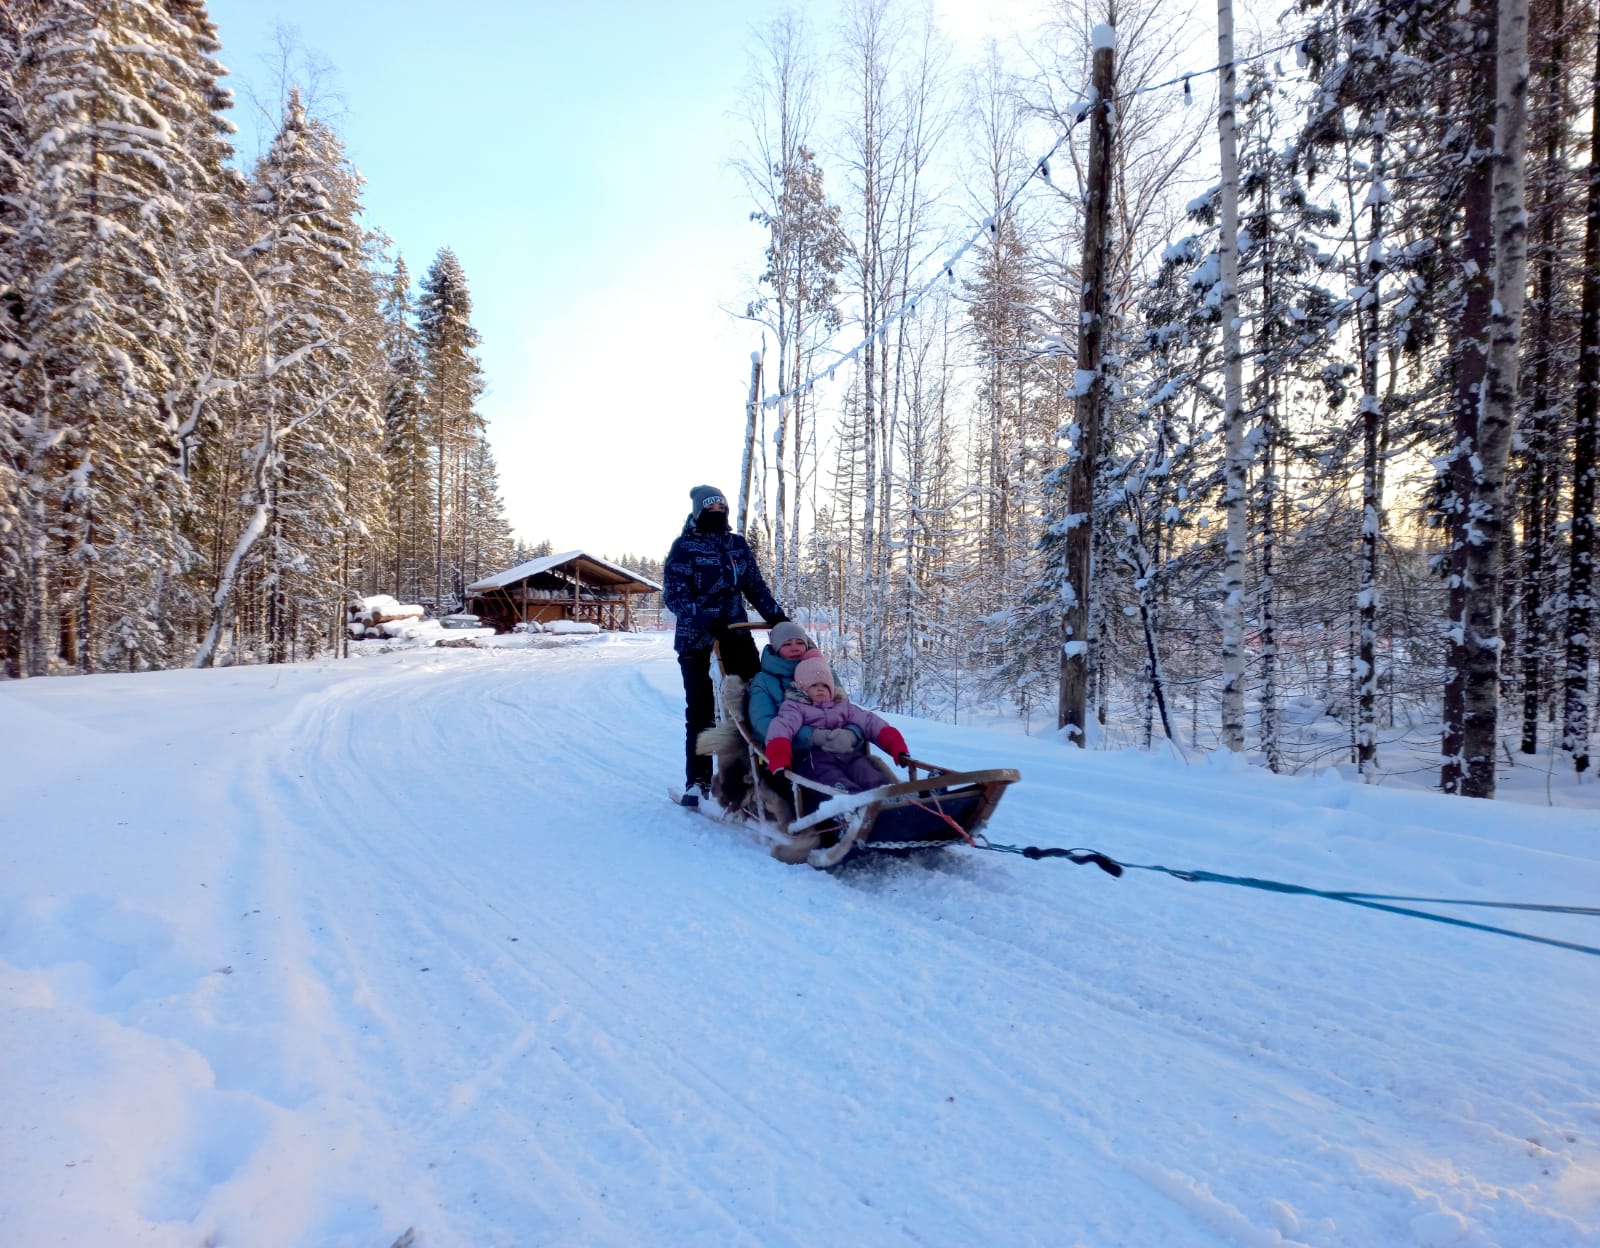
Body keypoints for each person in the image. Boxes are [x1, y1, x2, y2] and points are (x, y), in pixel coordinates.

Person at [663, 485, 786, 806]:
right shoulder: (684, 547)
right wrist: (705, 619)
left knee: (756, 699)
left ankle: (761, 771)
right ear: (697, 512)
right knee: (701, 709)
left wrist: (778, 617)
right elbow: (675, 595)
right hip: (696, 637)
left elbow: (755, 587)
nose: (717, 513)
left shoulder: (736, 546)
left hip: (735, 631)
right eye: (710, 509)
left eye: (722, 508)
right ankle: (698, 781)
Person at [764, 655, 909, 794]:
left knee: (866, 771)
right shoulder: (795, 707)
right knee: (832, 780)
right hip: (814, 758)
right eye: (814, 685)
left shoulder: (843, 706)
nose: (820, 689)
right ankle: (848, 804)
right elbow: (781, 728)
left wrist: (896, 745)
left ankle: (886, 796)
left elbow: (870, 722)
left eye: (825, 686)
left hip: (847, 754)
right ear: (802, 689)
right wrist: (779, 758)